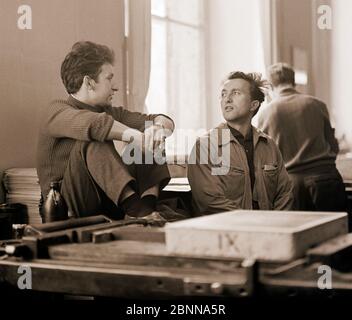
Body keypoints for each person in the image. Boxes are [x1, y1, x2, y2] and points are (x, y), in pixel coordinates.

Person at [37, 41, 175, 222]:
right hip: (66, 208)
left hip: (108, 201)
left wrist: (156, 129)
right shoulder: (55, 111)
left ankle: (146, 208)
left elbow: (164, 120)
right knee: (93, 138)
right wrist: (138, 137)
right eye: (109, 78)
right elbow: (94, 124)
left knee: (149, 131)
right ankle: (136, 210)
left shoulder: (109, 111)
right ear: (89, 82)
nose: (115, 86)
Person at [187, 71, 293, 215]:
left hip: (269, 229)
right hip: (225, 232)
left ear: (253, 105)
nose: (227, 99)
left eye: (235, 93)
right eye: (223, 94)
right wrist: (252, 221)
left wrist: (273, 223)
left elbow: (285, 193)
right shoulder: (205, 146)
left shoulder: (269, 145)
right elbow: (209, 201)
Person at [257, 63, 346, 211]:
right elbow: (334, 146)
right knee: (336, 232)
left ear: (271, 87)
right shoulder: (318, 105)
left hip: (291, 187)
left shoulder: (266, 114)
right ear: (293, 83)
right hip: (326, 180)